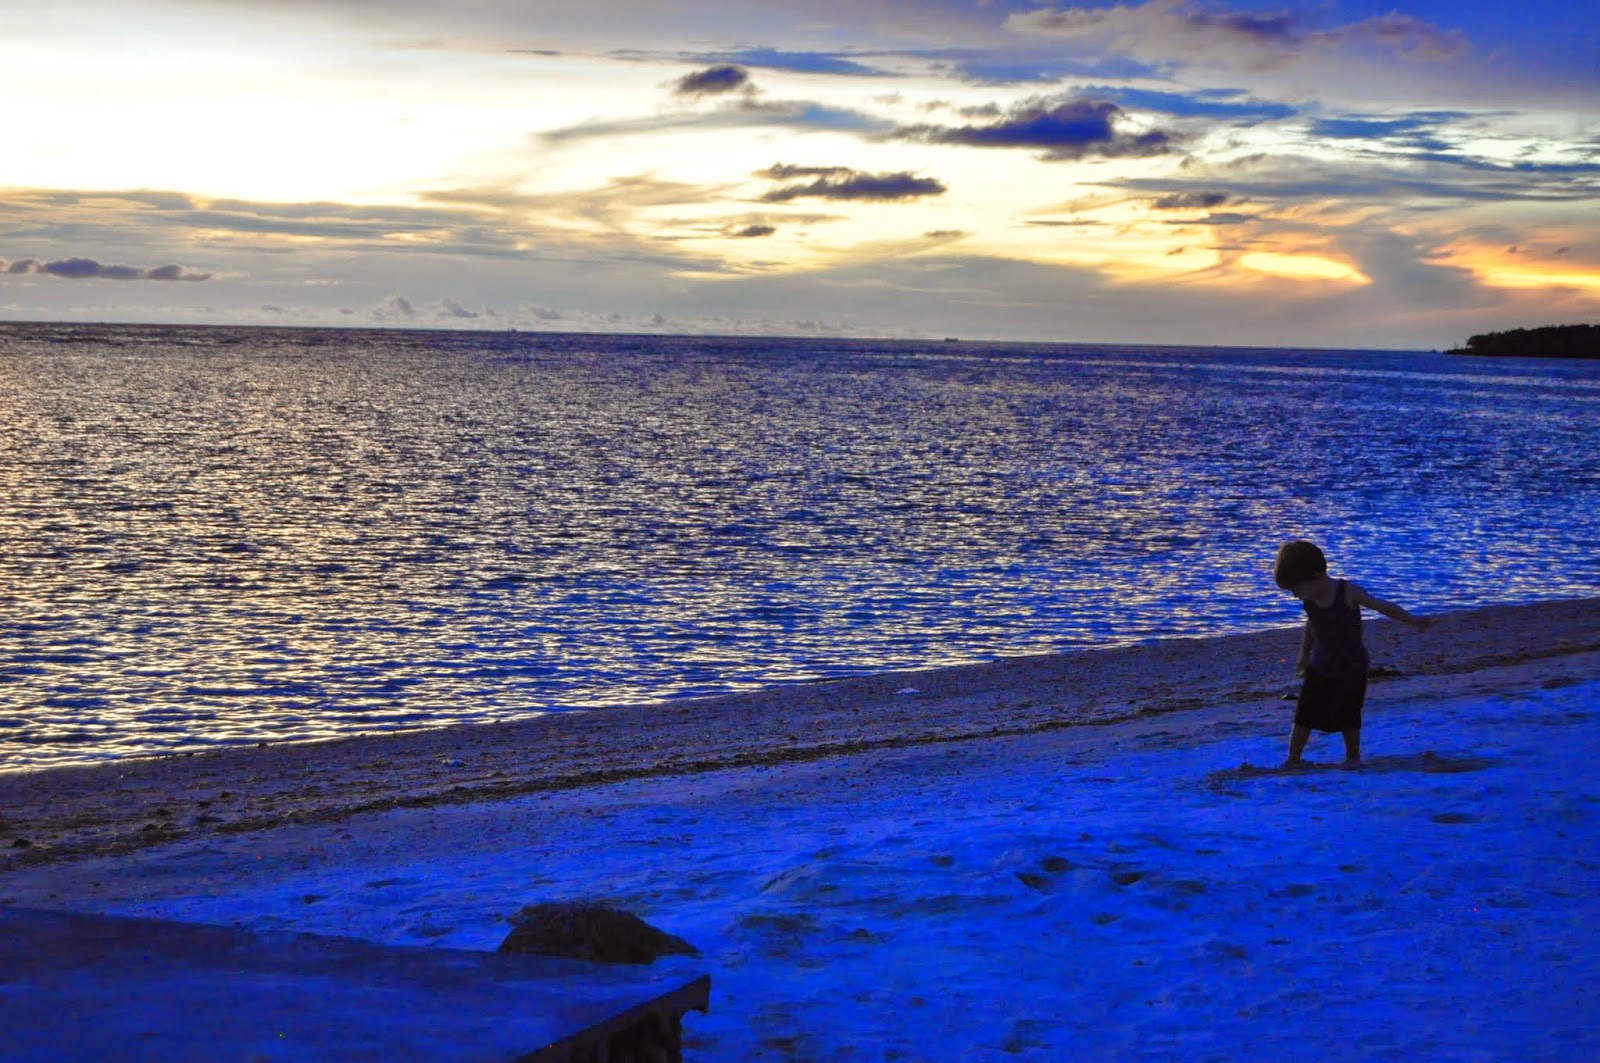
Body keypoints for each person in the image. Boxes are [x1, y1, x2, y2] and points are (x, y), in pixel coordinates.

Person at [1272, 540, 1431, 768]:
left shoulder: (1348, 592)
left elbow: (1383, 606)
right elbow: (1312, 625)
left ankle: (1352, 757)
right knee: (1304, 714)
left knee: (1349, 716)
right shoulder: (1310, 599)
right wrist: (1304, 654)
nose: (1295, 596)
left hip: (1352, 667)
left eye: (1296, 589)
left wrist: (1413, 621)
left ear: (1316, 575)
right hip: (1320, 665)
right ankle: (1293, 759)